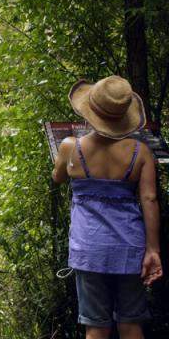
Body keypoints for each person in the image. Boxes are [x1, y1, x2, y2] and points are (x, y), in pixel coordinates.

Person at [52, 75, 163, 339]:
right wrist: (153, 250)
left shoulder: (70, 147)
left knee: (96, 327)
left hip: (89, 248)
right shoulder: (141, 152)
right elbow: (149, 200)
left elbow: (57, 177)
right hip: (129, 248)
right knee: (131, 323)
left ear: (89, 111)